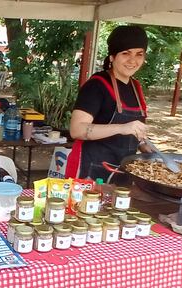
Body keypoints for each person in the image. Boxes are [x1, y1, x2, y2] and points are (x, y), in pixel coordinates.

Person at [66, 25, 152, 181]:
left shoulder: (136, 87)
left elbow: (132, 131)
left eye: (139, 54)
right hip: (90, 171)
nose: (133, 60)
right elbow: (76, 129)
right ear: (112, 57)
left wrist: (144, 145)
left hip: (123, 170)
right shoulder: (97, 85)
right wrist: (122, 128)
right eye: (126, 53)